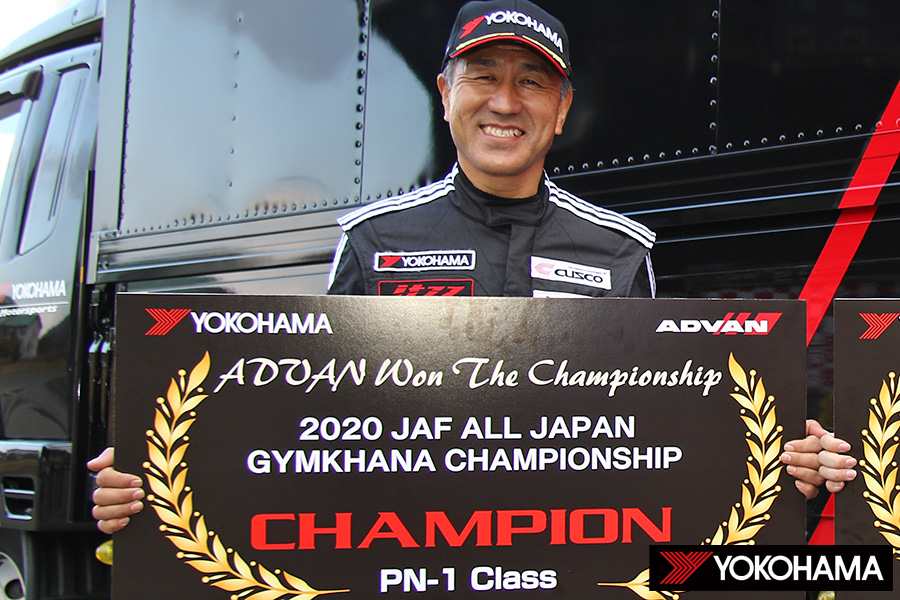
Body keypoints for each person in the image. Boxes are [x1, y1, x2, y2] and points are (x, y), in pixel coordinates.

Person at [88, 0, 855, 535]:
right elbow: (302, 428)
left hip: (570, 562)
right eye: (483, 75)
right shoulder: (373, 241)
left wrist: (787, 461)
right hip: (409, 560)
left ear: (562, 108)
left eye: (532, 81)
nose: (505, 102)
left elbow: (670, 430)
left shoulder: (622, 251)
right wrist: (164, 475)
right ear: (446, 93)